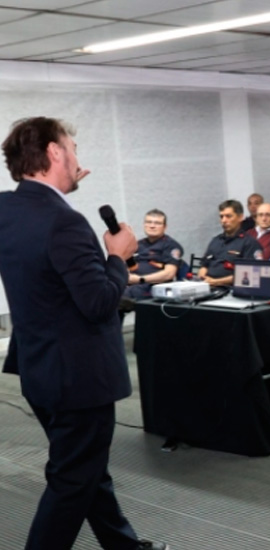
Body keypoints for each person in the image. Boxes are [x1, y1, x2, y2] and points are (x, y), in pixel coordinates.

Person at [0, 117, 168, 549]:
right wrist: (117, 257)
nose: (77, 157)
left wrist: (63, 187)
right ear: (54, 152)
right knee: (74, 479)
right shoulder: (64, 222)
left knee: (86, 467)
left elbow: (44, 270)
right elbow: (98, 303)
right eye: (72, 149)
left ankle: (123, 546)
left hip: (39, 368)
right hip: (78, 377)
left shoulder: (8, 208)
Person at [199, 199, 263, 287]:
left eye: (228, 216)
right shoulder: (216, 241)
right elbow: (204, 265)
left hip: (231, 289)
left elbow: (250, 275)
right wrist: (203, 273)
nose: (224, 220)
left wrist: (216, 281)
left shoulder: (249, 243)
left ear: (240, 217)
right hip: (208, 286)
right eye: (221, 216)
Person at [124, 209, 184, 300]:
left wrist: (141, 279)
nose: (152, 226)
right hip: (131, 284)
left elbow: (169, 274)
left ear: (165, 227)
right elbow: (125, 265)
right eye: (148, 222)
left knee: (122, 296)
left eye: (157, 223)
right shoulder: (137, 245)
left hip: (153, 287)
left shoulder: (170, 245)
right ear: (144, 225)